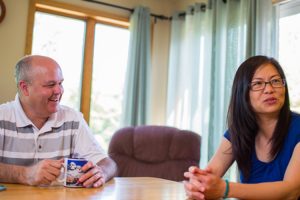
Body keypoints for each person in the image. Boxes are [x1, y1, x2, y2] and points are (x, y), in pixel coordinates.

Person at [184, 55, 300, 199]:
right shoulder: (237, 133)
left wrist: (225, 189)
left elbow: (291, 191)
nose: (269, 89)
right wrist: (198, 184)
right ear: (243, 93)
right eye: (258, 84)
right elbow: (209, 177)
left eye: (275, 81)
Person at [0, 55, 117, 187]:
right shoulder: (2, 117)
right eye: (50, 85)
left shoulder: (73, 119)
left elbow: (108, 163)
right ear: (25, 88)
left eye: (60, 83)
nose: (59, 91)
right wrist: (26, 174)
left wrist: (101, 172)